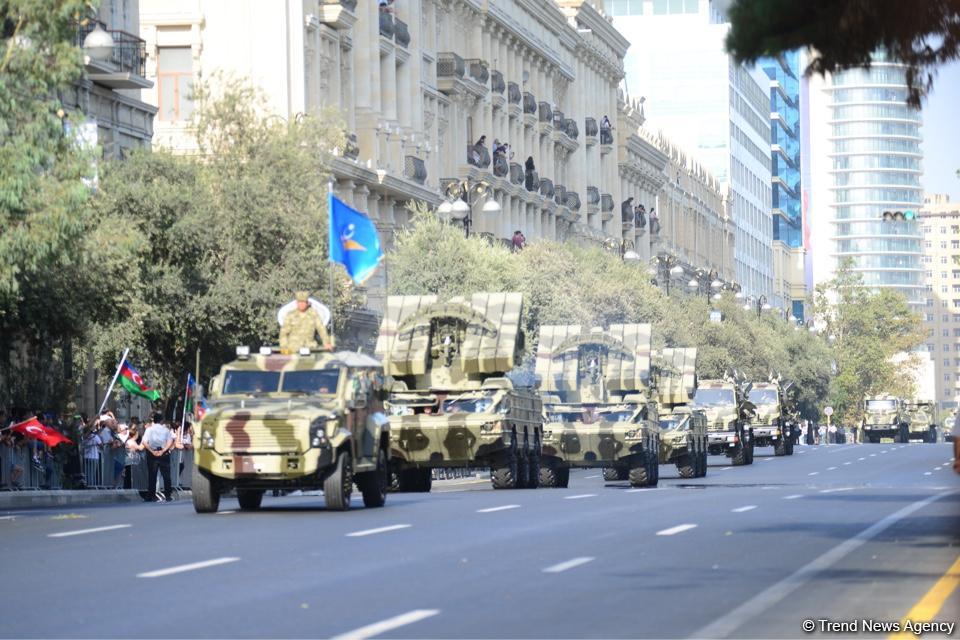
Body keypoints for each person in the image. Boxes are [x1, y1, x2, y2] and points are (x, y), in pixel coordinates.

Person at [141, 413, 174, 502]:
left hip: (152, 453)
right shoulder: (166, 430)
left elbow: (144, 442)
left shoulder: (149, 430)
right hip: (164, 453)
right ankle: (168, 495)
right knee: (166, 476)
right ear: (161, 420)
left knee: (152, 475)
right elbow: (170, 442)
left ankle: (150, 495)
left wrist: (152, 451)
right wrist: (163, 451)